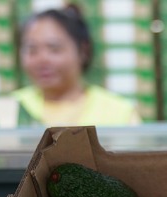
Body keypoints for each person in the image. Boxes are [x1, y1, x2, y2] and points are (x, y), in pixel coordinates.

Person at [11, 4, 141, 126]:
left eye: (54, 49)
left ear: (83, 50)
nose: (42, 60)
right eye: (32, 50)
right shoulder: (7, 110)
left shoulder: (119, 113)